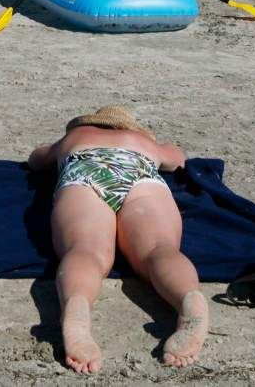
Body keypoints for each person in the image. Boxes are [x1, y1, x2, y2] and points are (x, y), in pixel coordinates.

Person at [27, 105, 208, 374]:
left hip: (85, 170)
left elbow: (36, 159)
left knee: (85, 249)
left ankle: (76, 304)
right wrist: (157, 147)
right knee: (158, 248)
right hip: (139, 173)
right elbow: (177, 159)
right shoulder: (142, 141)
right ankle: (188, 300)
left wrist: (58, 148)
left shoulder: (74, 137)